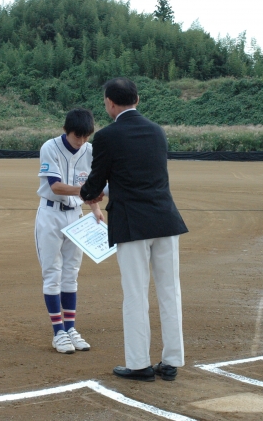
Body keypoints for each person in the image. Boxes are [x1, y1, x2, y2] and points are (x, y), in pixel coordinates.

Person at [80, 77, 188, 382]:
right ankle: (171, 361)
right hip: (165, 219)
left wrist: (89, 193)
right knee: (170, 291)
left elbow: (96, 181)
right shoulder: (157, 131)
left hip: (132, 223)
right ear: (137, 99)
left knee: (136, 294)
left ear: (110, 103)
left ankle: (139, 364)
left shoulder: (107, 136)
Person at [35, 108, 103, 354]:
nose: (82, 141)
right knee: (52, 273)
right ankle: (58, 332)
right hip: (50, 215)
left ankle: (70, 328)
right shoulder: (50, 147)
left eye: (86, 136)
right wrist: (86, 192)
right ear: (66, 130)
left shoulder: (90, 150)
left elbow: (92, 185)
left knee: (71, 273)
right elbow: (56, 186)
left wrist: (95, 208)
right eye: (77, 136)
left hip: (76, 215)